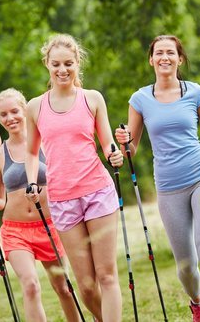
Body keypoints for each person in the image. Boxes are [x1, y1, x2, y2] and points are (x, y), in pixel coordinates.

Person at [115, 35, 200, 322]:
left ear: (180, 59)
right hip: (169, 187)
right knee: (185, 265)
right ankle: (197, 302)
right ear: (151, 59)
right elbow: (131, 148)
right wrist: (124, 141)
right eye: (159, 53)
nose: (165, 58)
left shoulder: (196, 92)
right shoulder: (140, 99)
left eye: (171, 53)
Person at [24, 34, 124, 322]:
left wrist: (114, 153)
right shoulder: (35, 107)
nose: (62, 70)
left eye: (68, 63)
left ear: (77, 64)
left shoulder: (92, 99)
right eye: (56, 64)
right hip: (62, 198)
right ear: (47, 64)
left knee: (106, 275)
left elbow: (107, 143)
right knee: (86, 286)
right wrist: (32, 180)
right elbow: (32, 153)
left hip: (97, 191)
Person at [0, 88, 81, 322]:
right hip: (16, 230)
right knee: (30, 285)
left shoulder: (46, 143)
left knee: (64, 288)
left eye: (15, 111)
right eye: (4, 114)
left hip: (50, 226)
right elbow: (0, 201)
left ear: (25, 110)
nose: (11, 118)